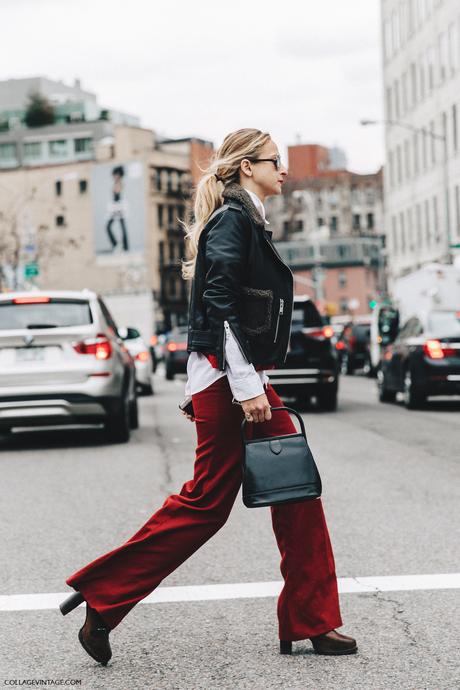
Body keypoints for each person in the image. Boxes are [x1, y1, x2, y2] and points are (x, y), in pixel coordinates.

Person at [60, 128, 357, 664]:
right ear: (247, 168)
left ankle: (312, 618)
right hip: (227, 380)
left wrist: (250, 381)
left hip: (238, 376)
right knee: (206, 504)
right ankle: (104, 597)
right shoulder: (233, 220)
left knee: (296, 488)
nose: (283, 170)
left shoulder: (246, 220)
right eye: (274, 161)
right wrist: (246, 388)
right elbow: (218, 304)